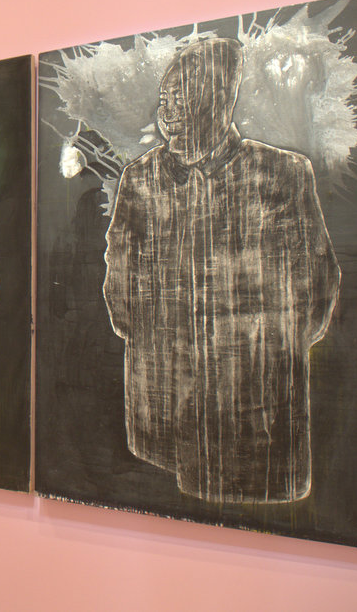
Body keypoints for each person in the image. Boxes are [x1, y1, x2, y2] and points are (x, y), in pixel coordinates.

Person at [103, 38, 340, 502]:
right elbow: (120, 279)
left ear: (215, 99)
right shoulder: (141, 178)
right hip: (162, 401)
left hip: (252, 410)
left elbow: (316, 286)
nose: (167, 112)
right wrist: (154, 344)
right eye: (165, 98)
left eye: (181, 98)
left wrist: (265, 356)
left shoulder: (280, 174)